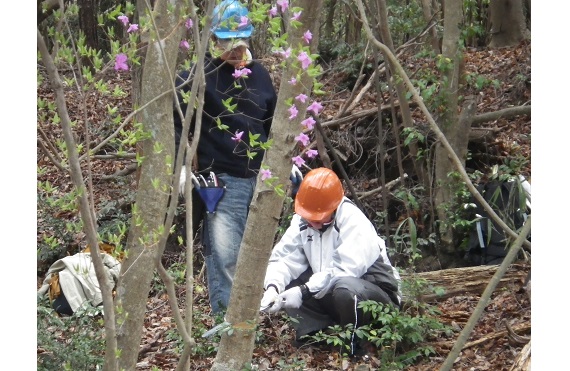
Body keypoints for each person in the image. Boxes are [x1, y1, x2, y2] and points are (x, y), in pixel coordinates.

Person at [174, 0, 277, 314]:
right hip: (221, 178)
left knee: (254, 254)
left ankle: (246, 317)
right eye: (226, 43)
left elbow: (274, 124)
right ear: (214, 40)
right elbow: (179, 122)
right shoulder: (197, 77)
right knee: (225, 254)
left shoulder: (260, 77)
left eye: (239, 44)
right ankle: (228, 325)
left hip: (260, 179)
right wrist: (180, 167)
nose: (233, 51)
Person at [260, 167, 402, 354]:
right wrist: (273, 288)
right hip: (332, 296)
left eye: (318, 218)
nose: (313, 223)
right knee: (288, 281)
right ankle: (315, 334)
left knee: (346, 288)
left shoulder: (353, 220)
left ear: (334, 206)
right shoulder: (301, 221)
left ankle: (355, 344)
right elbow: (284, 260)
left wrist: (304, 291)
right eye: (309, 217)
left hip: (376, 299)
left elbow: (345, 270)